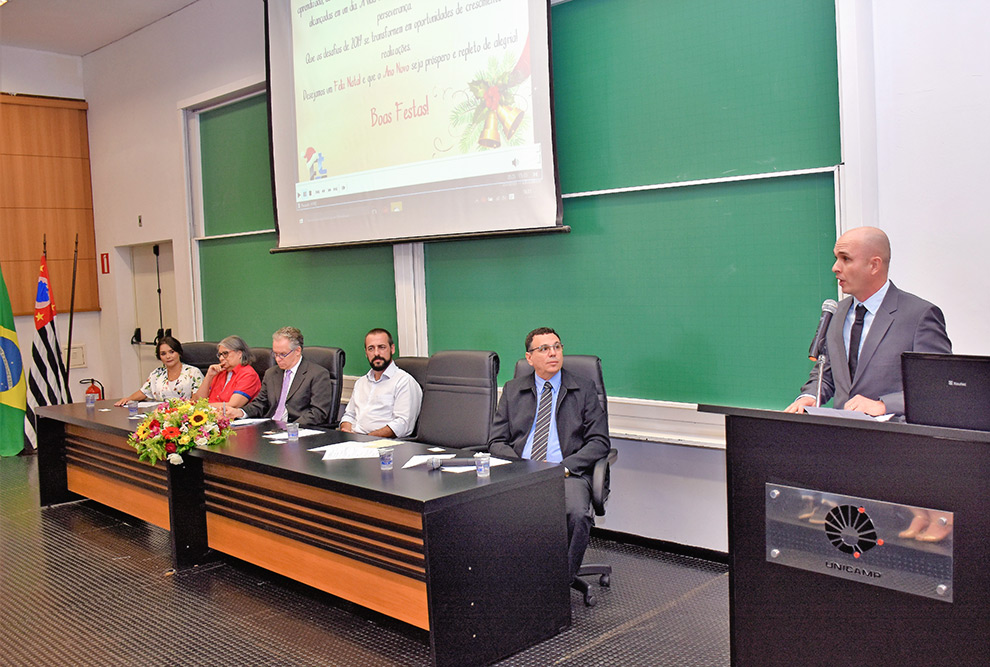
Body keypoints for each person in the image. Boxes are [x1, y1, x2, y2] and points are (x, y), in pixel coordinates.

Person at [785, 226, 951, 417]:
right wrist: (809, 396)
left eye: (845, 259)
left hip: (893, 439)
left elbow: (939, 386)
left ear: (874, 265)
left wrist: (884, 405)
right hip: (842, 436)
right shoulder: (836, 313)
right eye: (836, 258)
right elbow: (827, 373)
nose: (835, 267)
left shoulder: (919, 315)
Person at [488, 327, 611, 580]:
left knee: (577, 513)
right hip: (522, 472)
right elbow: (496, 441)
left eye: (557, 347)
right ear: (529, 358)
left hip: (568, 473)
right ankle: (507, 579)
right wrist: (521, 465)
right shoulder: (512, 390)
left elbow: (599, 441)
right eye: (544, 349)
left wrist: (565, 467)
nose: (553, 353)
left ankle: (558, 585)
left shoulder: (583, 389)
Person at [224, 327, 334, 427]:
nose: (277, 359)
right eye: (275, 354)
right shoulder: (271, 373)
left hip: (297, 432)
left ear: (297, 351)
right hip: (269, 428)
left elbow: (318, 412)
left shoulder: (317, 374)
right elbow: (260, 404)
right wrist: (240, 412)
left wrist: (291, 428)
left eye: (282, 354)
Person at [339, 328, 422, 438]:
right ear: (366, 353)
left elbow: (402, 425)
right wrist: (346, 430)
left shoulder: (404, 382)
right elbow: (349, 415)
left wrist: (367, 438)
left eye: (381, 347)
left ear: (392, 349)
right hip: (354, 441)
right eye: (371, 349)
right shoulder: (361, 383)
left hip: (381, 445)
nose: (376, 353)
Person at [114, 336, 203, 406]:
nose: (168, 356)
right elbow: (144, 392)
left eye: (171, 352)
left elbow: (198, 399)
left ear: (179, 352)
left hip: (184, 416)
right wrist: (128, 399)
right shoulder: (157, 374)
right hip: (160, 416)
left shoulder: (193, 372)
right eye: (163, 354)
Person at [191, 335, 261, 410]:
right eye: (220, 355)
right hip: (210, 416)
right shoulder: (219, 372)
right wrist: (209, 376)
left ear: (239, 354)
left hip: (232, 418)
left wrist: (204, 406)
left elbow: (233, 405)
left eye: (225, 354)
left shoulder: (248, 374)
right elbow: (198, 400)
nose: (221, 358)